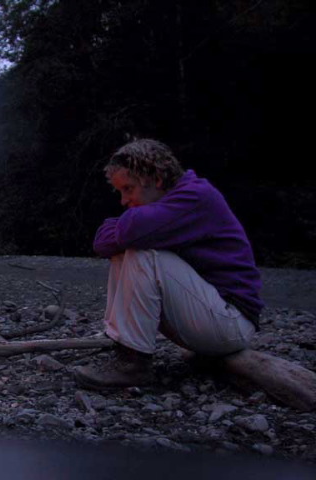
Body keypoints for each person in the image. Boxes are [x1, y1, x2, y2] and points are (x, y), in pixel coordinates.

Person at [74, 138, 264, 389]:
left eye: (128, 189)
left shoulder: (194, 197)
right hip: (209, 318)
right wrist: (124, 229)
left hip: (231, 322)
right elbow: (102, 242)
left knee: (144, 253)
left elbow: (129, 228)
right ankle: (126, 353)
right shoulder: (168, 205)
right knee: (125, 250)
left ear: (157, 180)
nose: (123, 201)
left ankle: (133, 365)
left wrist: (123, 228)